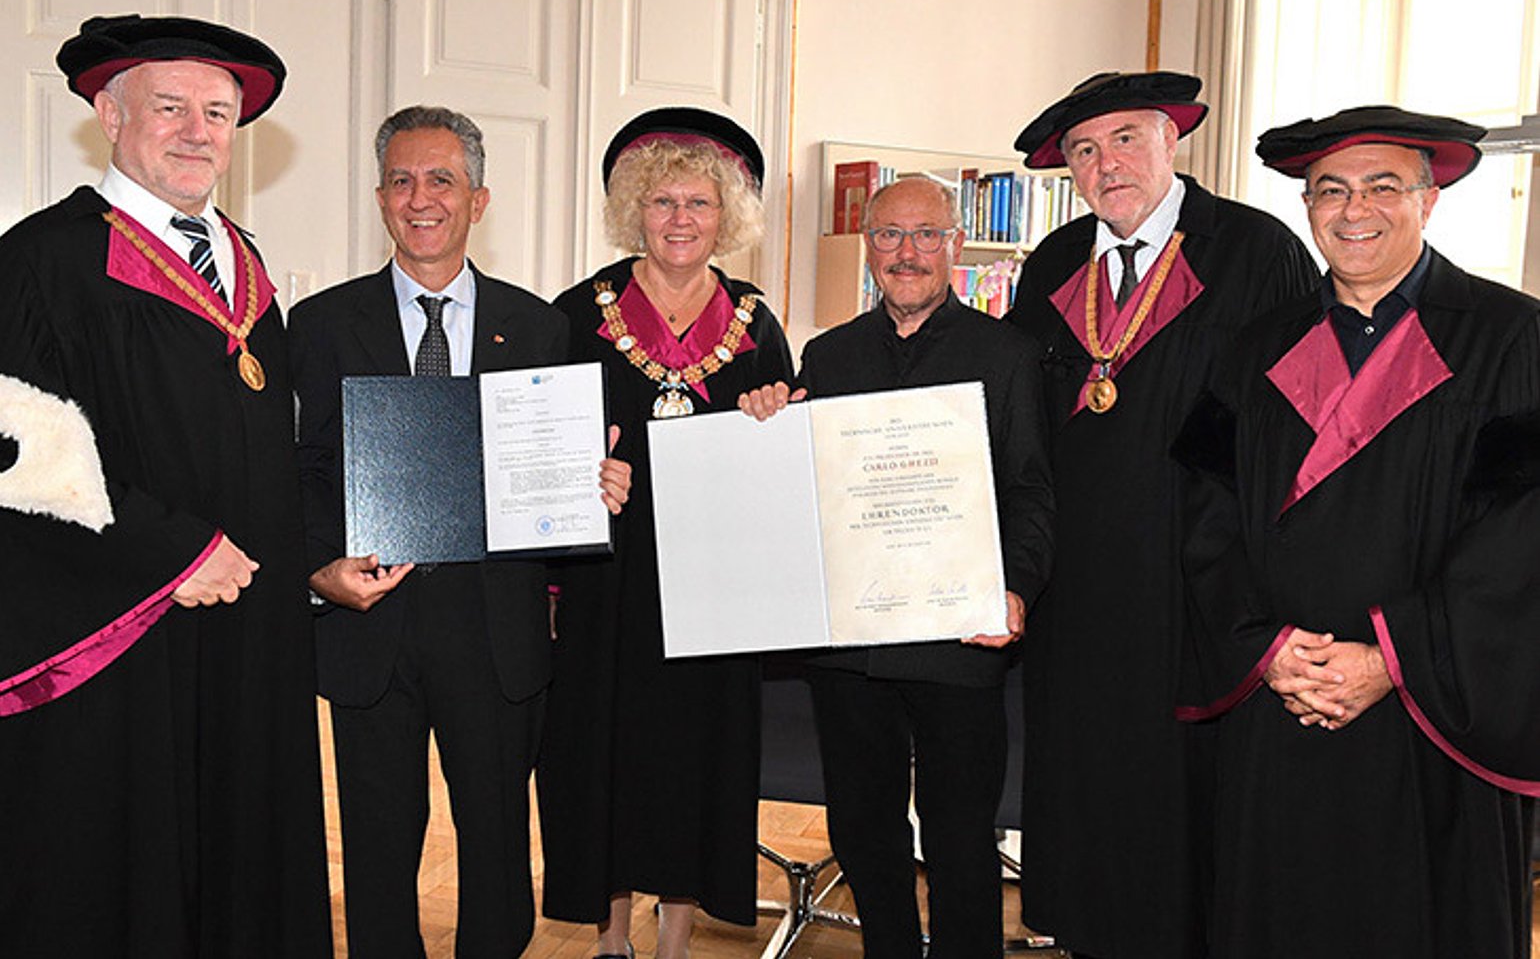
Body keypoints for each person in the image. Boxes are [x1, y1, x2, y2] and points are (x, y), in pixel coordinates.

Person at [1173, 105, 1540, 959]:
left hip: (1433, 709)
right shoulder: (1257, 347)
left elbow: (1522, 535)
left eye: (1383, 187)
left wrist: (1392, 654)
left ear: (1430, 199)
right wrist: (1264, 649)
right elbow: (1202, 510)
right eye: (1328, 191)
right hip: (1285, 697)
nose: (1353, 211)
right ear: (1306, 209)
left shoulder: (1512, 338)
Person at [0, 14, 331, 957]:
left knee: (243, 845)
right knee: (120, 862)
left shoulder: (248, 262)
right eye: (172, 107)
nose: (199, 132)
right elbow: (17, 448)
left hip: (249, 630)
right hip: (118, 632)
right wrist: (168, 552)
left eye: (219, 114)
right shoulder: (41, 263)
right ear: (109, 112)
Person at [289, 104, 630, 959]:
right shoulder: (320, 326)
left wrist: (597, 487)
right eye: (401, 180)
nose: (420, 198)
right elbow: (294, 474)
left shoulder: (544, 328)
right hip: (370, 625)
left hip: (495, 630)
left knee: (497, 847)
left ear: (478, 200)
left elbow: (558, 474)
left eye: (442, 179)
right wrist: (314, 570)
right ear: (378, 197)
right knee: (375, 849)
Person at [1005, 71, 1318, 958]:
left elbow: (1283, 423)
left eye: (1126, 140)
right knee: (1085, 788)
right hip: (1076, 588)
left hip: (1196, 581)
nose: (1109, 165)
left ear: (1170, 140)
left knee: (1184, 800)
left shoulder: (1253, 251)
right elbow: (1017, 413)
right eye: (1084, 152)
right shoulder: (1057, 263)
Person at [740, 175, 1055, 957]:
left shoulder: (1006, 355)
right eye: (888, 236)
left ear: (953, 244)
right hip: (852, 643)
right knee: (862, 826)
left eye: (924, 235)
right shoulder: (829, 354)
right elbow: (803, 487)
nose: (906, 253)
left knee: (958, 834)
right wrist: (764, 423)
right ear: (868, 247)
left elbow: (1029, 490)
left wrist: (1016, 588)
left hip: (959, 636)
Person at [536, 107, 794, 959]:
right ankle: (611, 942)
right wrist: (580, 477)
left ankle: (676, 940)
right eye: (662, 203)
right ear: (633, 211)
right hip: (605, 585)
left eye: (700, 203)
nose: (681, 220)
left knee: (696, 763)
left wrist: (773, 416)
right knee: (602, 760)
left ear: (729, 218)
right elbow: (534, 449)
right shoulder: (575, 315)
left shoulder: (759, 325)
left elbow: (786, 469)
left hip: (716, 590)